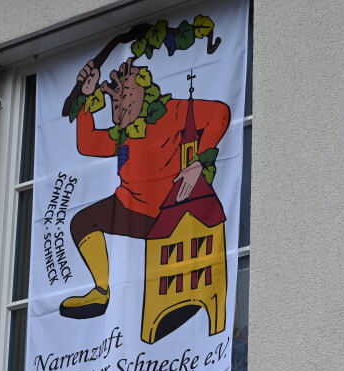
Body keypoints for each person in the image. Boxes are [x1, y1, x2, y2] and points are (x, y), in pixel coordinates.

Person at [60, 55, 230, 319]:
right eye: (114, 99)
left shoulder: (171, 111)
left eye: (126, 94)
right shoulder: (124, 131)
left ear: (145, 93)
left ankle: (185, 296)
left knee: (178, 250)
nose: (119, 105)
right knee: (82, 222)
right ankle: (101, 292)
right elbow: (88, 144)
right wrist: (87, 96)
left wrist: (198, 162)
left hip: (171, 209)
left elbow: (220, 114)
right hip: (130, 207)